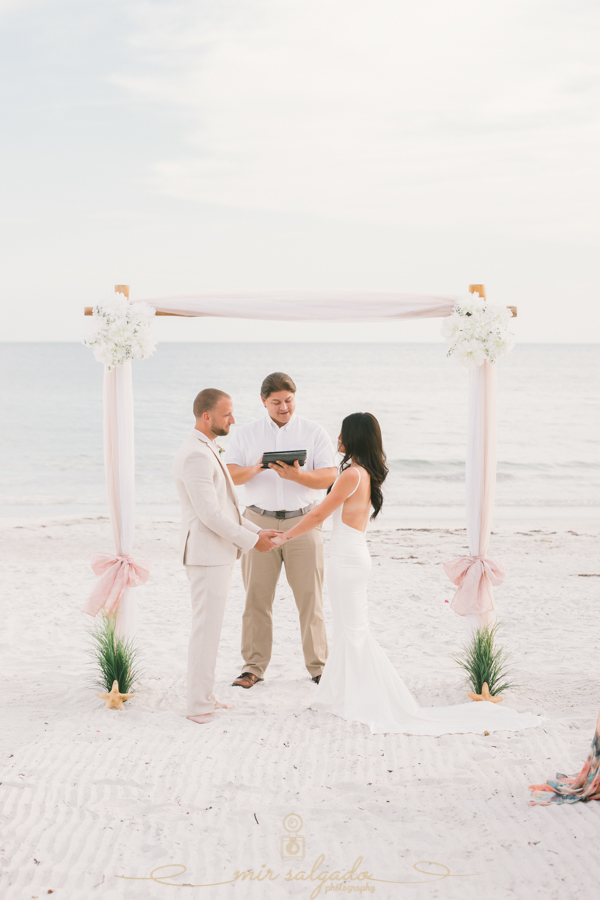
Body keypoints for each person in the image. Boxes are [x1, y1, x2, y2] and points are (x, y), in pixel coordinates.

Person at [272, 412, 541, 736]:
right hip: (353, 556)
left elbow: (318, 514)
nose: (338, 439)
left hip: (347, 560)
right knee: (348, 629)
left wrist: (284, 536)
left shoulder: (351, 475)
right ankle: (341, 695)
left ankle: (362, 699)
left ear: (353, 437)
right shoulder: (365, 473)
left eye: (342, 433)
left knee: (354, 631)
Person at [172, 389, 281, 725]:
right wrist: (251, 541)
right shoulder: (196, 455)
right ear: (207, 416)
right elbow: (210, 515)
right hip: (207, 555)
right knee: (206, 632)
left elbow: (227, 508)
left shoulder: (205, 448)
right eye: (227, 414)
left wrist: (256, 531)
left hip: (215, 553)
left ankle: (204, 697)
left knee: (211, 631)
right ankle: (198, 707)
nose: (233, 419)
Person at [224, 372, 337, 688]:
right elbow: (230, 474)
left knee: (310, 598)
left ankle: (319, 668)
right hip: (257, 523)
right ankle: (253, 668)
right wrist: (258, 467)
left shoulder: (313, 432)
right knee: (256, 598)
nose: (284, 407)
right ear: (264, 402)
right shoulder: (246, 434)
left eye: (288, 400)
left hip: (303, 522)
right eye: (276, 402)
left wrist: (296, 477)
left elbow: (329, 476)